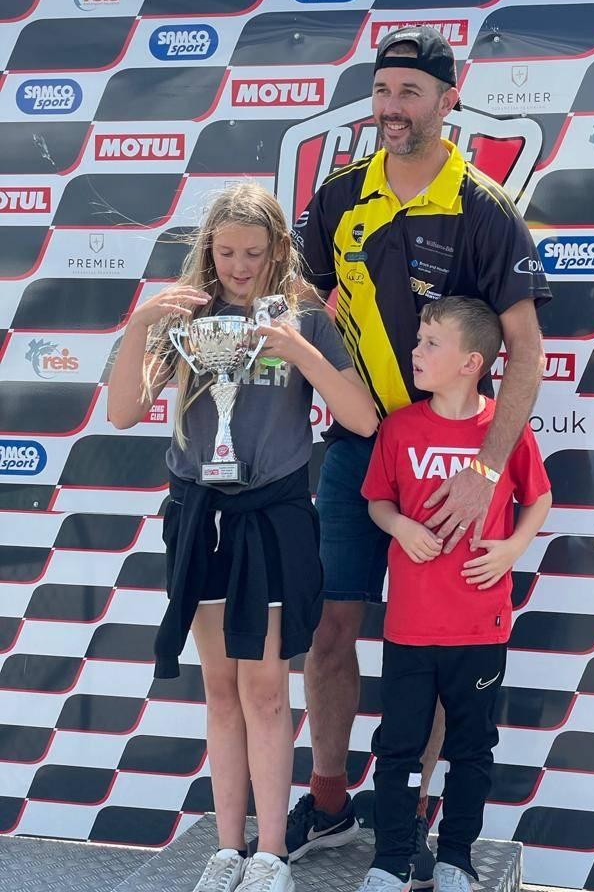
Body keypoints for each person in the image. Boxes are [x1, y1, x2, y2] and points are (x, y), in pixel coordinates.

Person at [288, 26, 551, 876]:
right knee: (331, 627)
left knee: (436, 646)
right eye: (382, 91)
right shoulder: (338, 194)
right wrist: (336, 377)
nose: (391, 108)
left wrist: (482, 470)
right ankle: (330, 802)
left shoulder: (484, 207)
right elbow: (303, 294)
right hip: (359, 448)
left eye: (409, 93)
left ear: (448, 98)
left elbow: (529, 351)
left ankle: (414, 811)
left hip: (449, 463)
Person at [107, 184, 378, 892]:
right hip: (199, 513)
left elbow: (364, 416)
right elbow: (124, 411)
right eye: (224, 252)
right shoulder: (186, 315)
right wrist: (141, 325)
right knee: (220, 690)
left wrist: (297, 347)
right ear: (208, 248)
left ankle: (272, 854)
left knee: (265, 690)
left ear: (278, 249)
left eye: (252, 253)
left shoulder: (305, 316)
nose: (237, 265)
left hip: (272, 515)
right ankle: (228, 848)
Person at [359, 296, 552, 892]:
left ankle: (457, 859)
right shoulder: (399, 426)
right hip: (410, 626)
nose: (415, 352)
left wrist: (515, 547)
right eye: (417, 340)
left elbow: (538, 497)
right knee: (398, 748)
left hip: (479, 626)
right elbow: (377, 500)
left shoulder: (504, 428)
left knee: (471, 750)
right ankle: (391, 860)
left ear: (472, 362)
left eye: (429, 343)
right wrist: (400, 526)